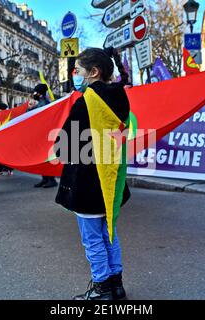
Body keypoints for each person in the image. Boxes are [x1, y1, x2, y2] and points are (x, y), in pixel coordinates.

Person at [54, 47, 131, 300]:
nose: (77, 75)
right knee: (110, 233)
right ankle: (116, 285)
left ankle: (102, 289)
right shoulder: (121, 98)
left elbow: (64, 146)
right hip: (111, 180)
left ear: (94, 72)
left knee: (92, 239)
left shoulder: (86, 102)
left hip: (87, 181)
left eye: (79, 71)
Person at [31, 83, 58, 188]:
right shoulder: (41, 103)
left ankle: (50, 179)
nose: (34, 94)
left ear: (40, 93)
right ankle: (45, 178)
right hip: (43, 134)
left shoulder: (44, 103)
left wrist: (30, 109)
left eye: (35, 92)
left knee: (46, 157)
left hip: (45, 135)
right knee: (43, 157)